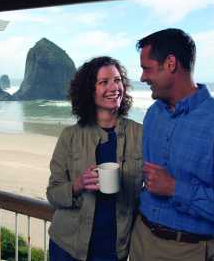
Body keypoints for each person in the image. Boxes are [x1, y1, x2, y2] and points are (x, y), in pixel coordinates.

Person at [130, 29, 214, 261]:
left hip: (189, 252)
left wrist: (174, 188)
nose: (142, 78)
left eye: (146, 68)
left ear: (170, 64)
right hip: (140, 241)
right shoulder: (152, 114)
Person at [47, 56, 143, 261]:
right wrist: (78, 185)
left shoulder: (141, 135)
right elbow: (53, 193)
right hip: (67, 246)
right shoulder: (70, 136)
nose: (114, 87)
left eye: (117, 80)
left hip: (113, 250)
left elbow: (152, 190)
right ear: (89, 91)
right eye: (104, 82)